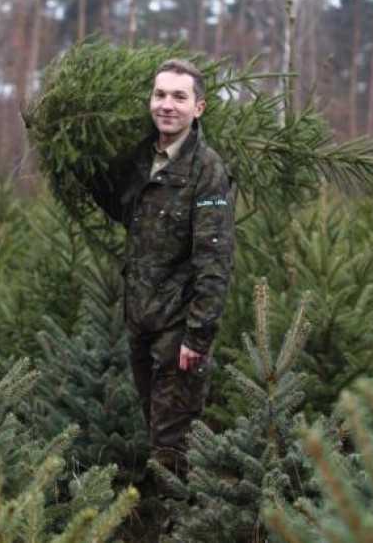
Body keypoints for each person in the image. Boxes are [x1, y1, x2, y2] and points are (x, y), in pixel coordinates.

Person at [89, 58, 235, 493]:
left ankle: (181, 524)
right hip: (141, 322)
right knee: (158, 427)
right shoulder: (139, 161)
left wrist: (198, 335)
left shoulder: (206, 170)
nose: (166, 105)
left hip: (178, 328)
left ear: (199, 108)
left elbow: (215, 258)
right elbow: (123, 214)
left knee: (171, 447)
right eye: (159, 95)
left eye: (178, 97)